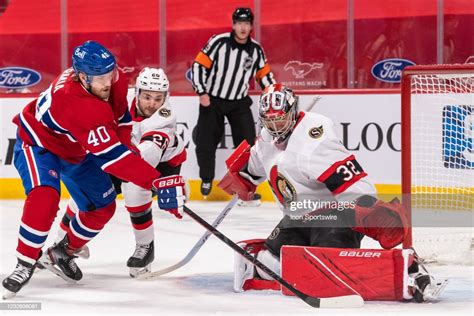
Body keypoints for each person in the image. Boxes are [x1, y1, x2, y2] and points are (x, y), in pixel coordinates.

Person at [217, 83, 445, 302]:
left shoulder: (313, 144)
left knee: (329, 266)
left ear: (293, 112)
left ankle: (409, 273)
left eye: (280, 119)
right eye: (270, 121)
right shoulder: (266, 138)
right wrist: (241, 177)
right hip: (298, 217)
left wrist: (368, 213)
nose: (276, 127)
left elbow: (357, 186)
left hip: (335, 217)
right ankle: (308, 272)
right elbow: (254, 164)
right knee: (264, 263)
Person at [2, 41, 186, 298]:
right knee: (45, 197)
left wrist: (132, 156)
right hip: (40, 145)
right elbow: (112, 158)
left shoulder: (115, 78)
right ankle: (24, 263)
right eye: (99, 78)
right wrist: (156, 181)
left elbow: (121, 121)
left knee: (103, 206)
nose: (107, 82)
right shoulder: (73, 101)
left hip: (76, 149)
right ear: (81, 77)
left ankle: (63, 251)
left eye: (108, 74)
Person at [55, 67, 187, 278]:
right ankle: (59, 245)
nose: (152, 104)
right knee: (85, 193)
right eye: (147, 97)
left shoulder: (164, 119)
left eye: (158, 98)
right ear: (137, 93)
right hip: (124, 155)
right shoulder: (122, 100)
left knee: (135, 190)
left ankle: (146, 248)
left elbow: (142, 161)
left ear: (166, 98)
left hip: (161, 166)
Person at [191, 7, 275, 199]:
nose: (243, 27)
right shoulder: (218, 42)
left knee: (247, 146)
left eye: (246, 23)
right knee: (205, 142)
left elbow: (265, 76)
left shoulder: (255, 50)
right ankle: (206, 178)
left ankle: (245, 187)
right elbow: (198, 65)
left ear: (251, 26)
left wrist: (274, 94)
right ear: (233, 24)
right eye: (239, 23)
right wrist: (201, 92)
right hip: (212, 100)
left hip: (238, 102)